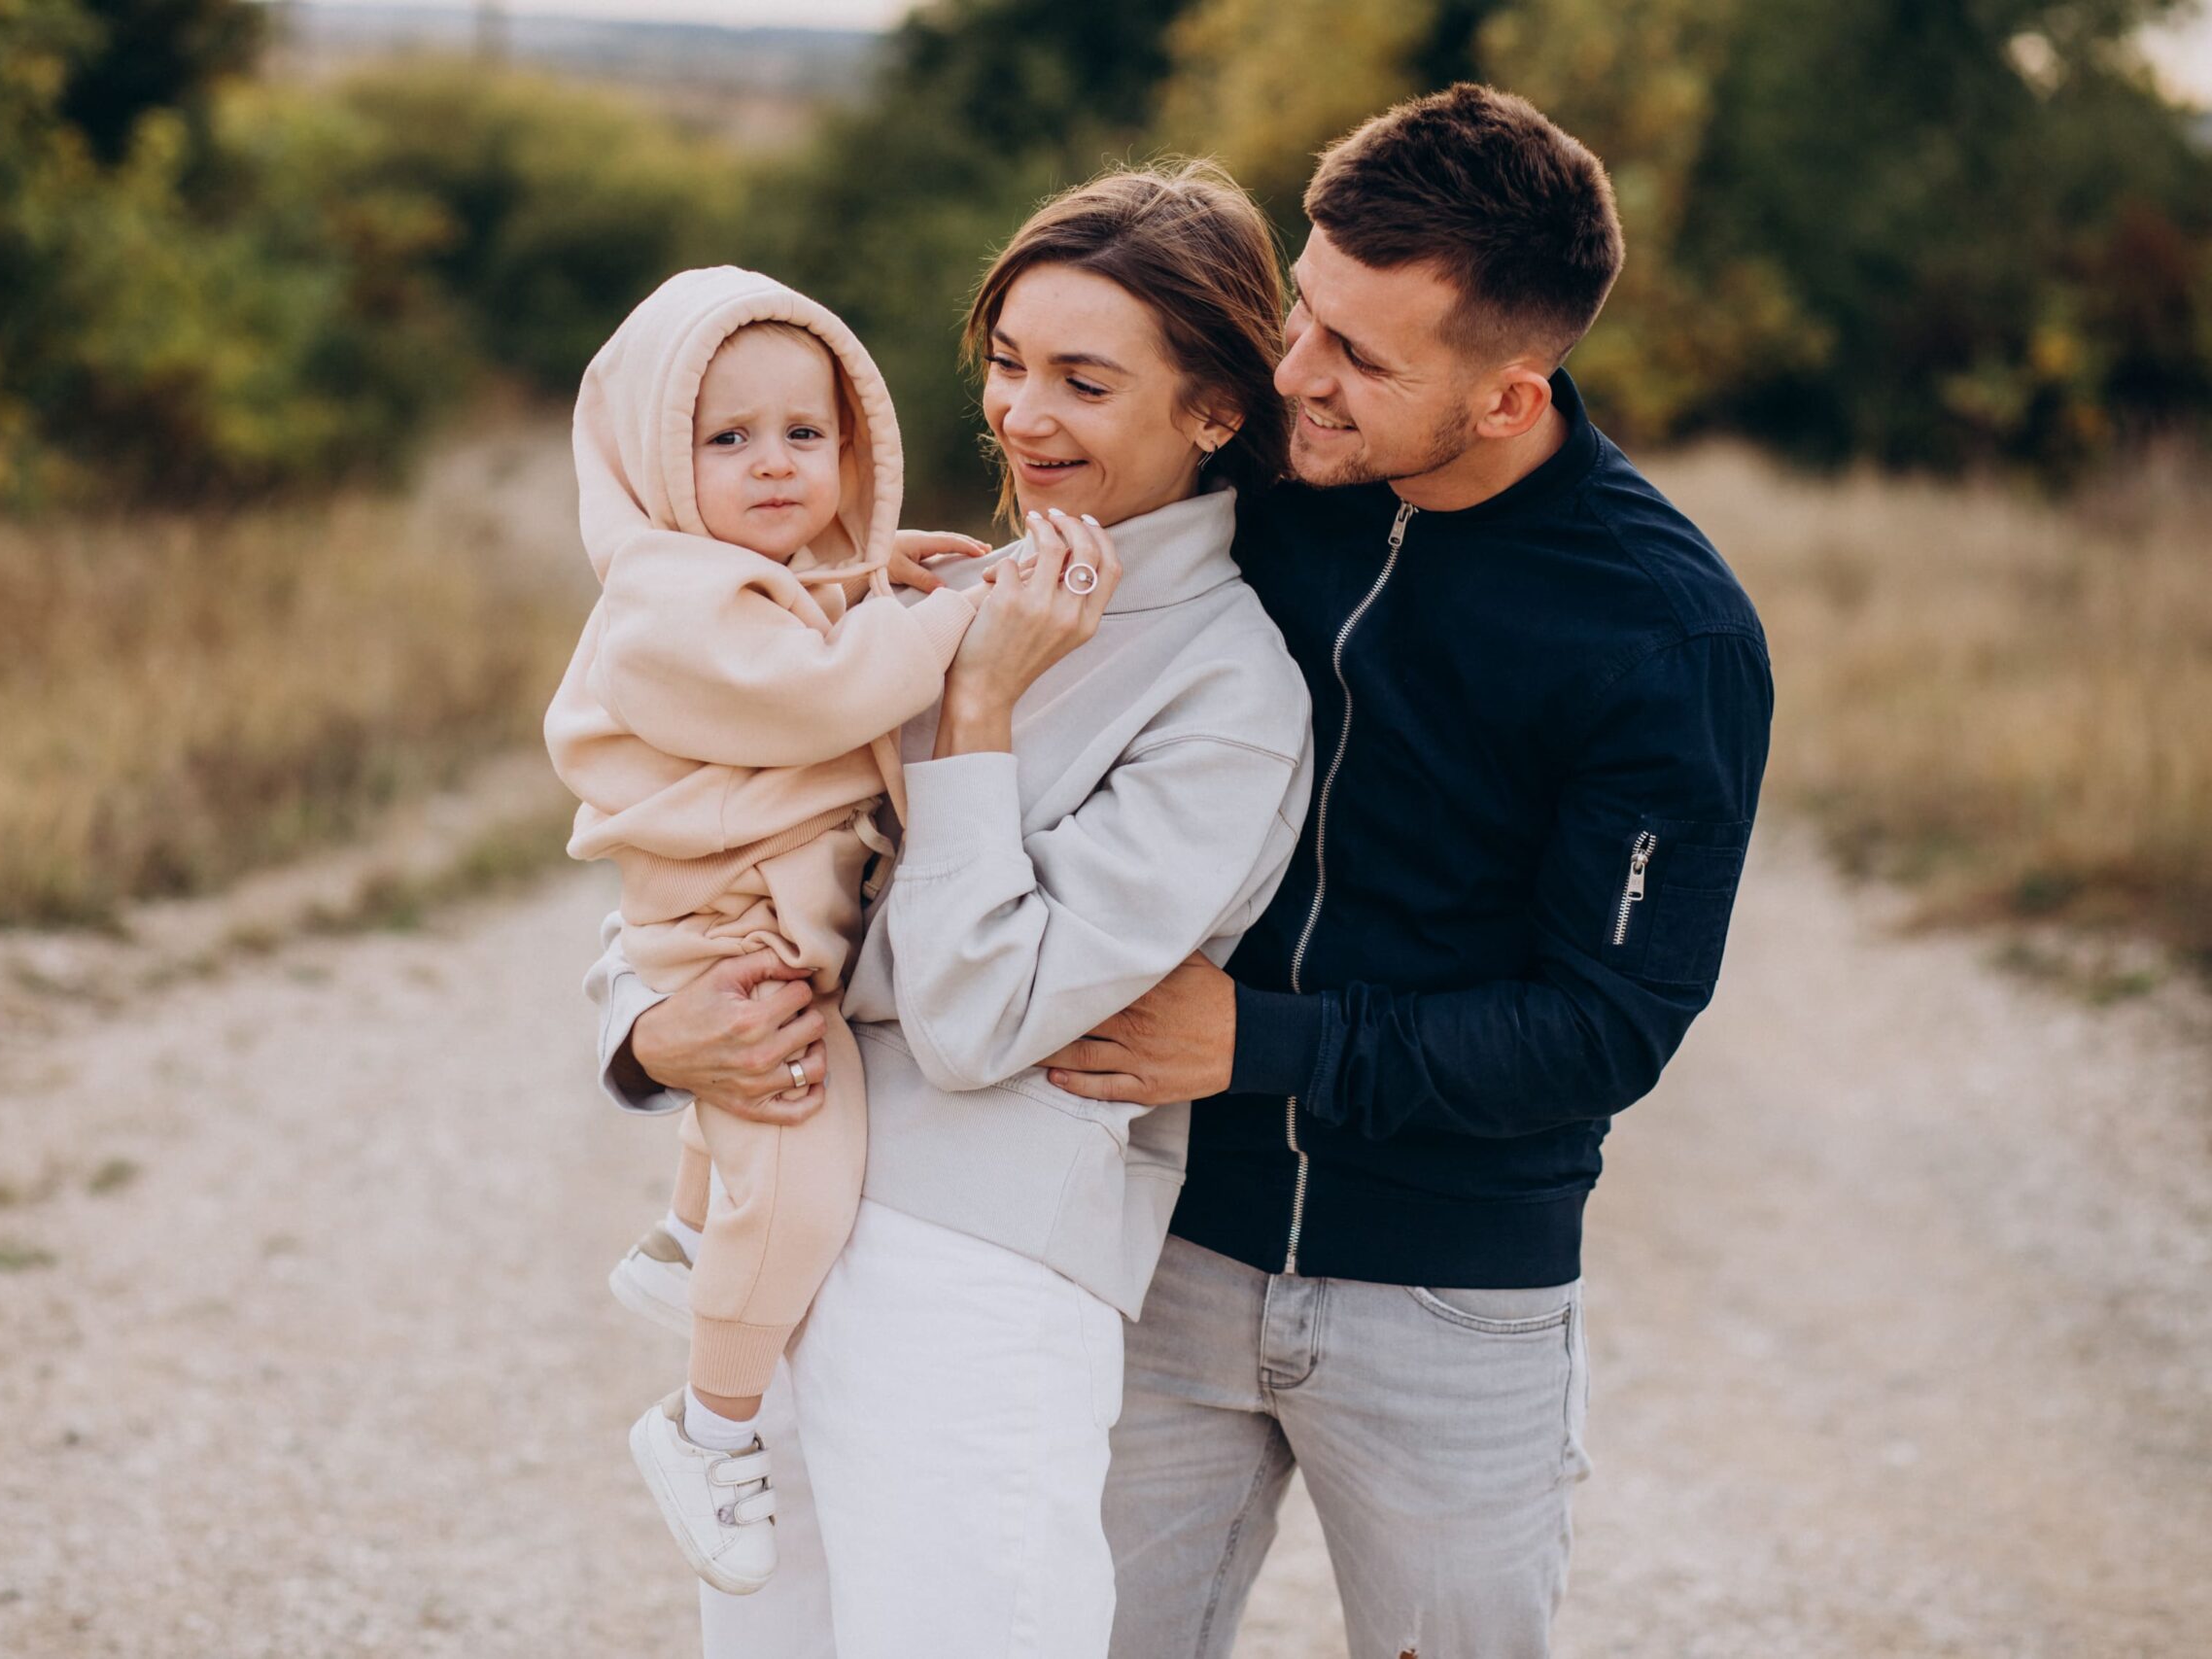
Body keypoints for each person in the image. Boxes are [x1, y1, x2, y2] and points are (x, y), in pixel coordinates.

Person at [1035, 86, 1775, 1659]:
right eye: (1308, 314)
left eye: (1363, 360)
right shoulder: (1269, 487)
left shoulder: (1664, 632)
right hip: (1164, 1245)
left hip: (1453, 1306)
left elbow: (1607, 1025)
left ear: (1513, 396)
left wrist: (1263, 1042)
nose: (1296, 374)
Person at [586, 163, 1314, 1655]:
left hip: (978, 1265)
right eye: (1006, 363)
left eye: (1083, 381)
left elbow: (984, 1019)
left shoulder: (1231, 692)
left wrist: (979, 706)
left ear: (1215, 412)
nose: (1021, 415)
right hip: (783, 1226)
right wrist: (655, 1031)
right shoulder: (921, 599)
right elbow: (707, 849)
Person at [543, 266, 988, 1593]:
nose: (775, 465)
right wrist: (959, 611)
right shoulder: (661, 601)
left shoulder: (742, 581)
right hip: (733, 943)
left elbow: (799, 620)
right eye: (726, 439)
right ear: (652, 461)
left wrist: (867, 572)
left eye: (807, 433)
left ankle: (686, 1241)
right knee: (804, 1178)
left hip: (750, 914)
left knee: (762, 1174)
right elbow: (812, 691)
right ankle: (708, 1422)